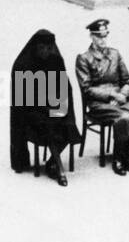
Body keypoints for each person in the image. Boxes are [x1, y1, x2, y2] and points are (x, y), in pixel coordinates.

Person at [75, 18, 129, 175]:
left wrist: (123, 94)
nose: (102, 40)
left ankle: (127, 156)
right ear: (91, 37)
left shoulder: (115, 54)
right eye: (98, 36)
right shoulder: (84, 58)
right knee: (125, 117)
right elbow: (87, 88)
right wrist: (111, 95)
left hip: (120, 98)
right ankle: (118, 159)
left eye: (104, 36)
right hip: (99, 103)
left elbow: (128, 80)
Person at [12, 29, 82, 186]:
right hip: (32, 112)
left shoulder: (56, 61)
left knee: (67, 125)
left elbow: (64, 89)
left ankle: (52, 162)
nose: (46, 51)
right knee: (49, 126)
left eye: (49, 48)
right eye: (42, 48)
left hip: (52, 107)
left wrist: (58, 107)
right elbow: (24, 99)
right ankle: (59, 169)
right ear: (36, 47)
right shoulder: (24, 64)